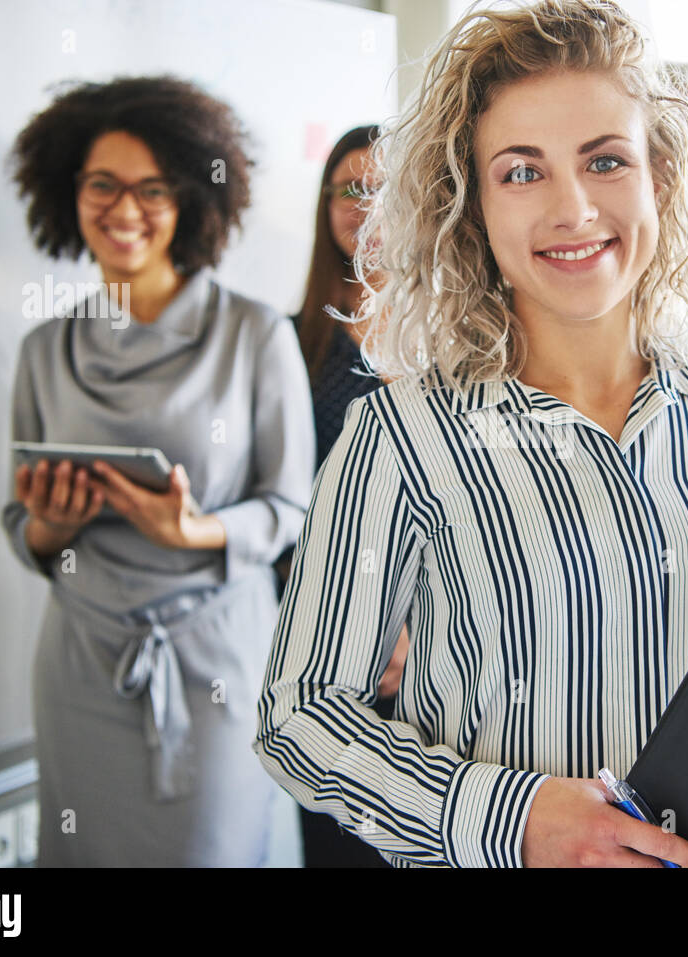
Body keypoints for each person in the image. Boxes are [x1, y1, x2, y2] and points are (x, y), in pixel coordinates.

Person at [256, 0, 688, 868]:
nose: (574, 208)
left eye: (605, 160)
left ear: (661, 177)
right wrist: (512, 817)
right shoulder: (404, 433)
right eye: (522, 172)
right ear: (471, 206)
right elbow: (299, 715)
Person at [2, 75, 314, 865]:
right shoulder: (45, 348)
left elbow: (292, 507)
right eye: (102, 184)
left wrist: (197, 528)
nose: (123, 208)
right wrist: (50, 526)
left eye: (151, 188)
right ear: (69, 189)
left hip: (209, 665)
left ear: (190, 201)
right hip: (80, 664)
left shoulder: (252, 335)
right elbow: (20, 523)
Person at [283, 124, 408, 867]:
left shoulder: (454, 333)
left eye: (384, 189)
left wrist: (401, 628)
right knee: (329, 821)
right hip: (317, 609)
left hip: (421, 625)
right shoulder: (290, 337)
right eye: (348, 191)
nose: (366, 207)